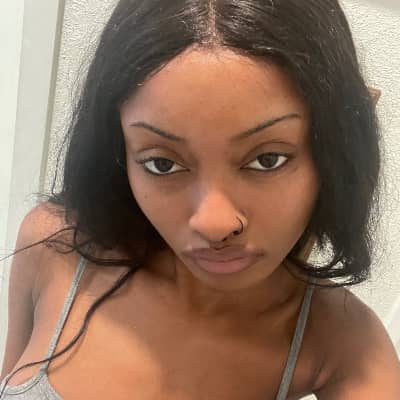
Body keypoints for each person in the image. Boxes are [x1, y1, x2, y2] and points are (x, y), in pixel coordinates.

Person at [1, 0, 399, 398]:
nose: (214, 224)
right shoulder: (52, 245)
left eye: (267, 160)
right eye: (162, 163)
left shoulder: (344, 345)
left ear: (332, 155)